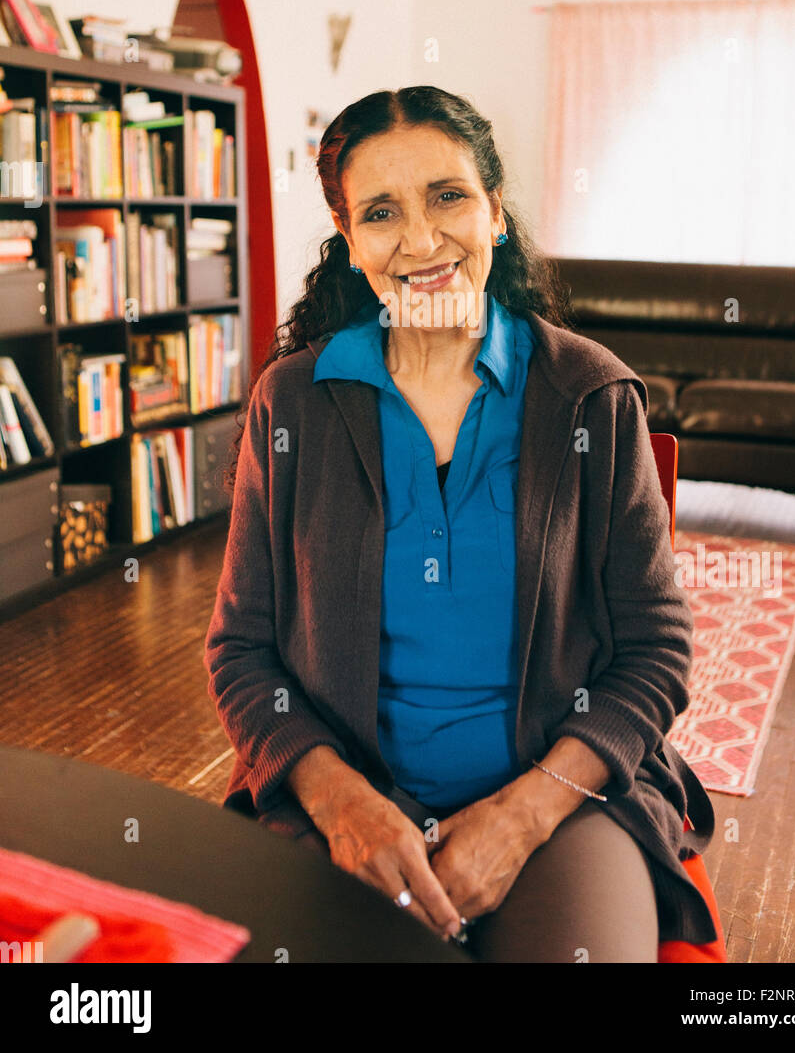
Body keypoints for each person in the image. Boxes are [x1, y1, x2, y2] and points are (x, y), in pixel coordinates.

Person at [204, 85, 718, 962]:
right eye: (380, 212)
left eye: (448, 196)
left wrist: (524, 814)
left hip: (563, 801)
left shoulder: (590, 394)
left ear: (496, 215)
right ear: (352, 244)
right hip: (349, 797)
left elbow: (657, 648)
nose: (420, 239)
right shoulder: (291, 402)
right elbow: (241, 650)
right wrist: (340, 802)